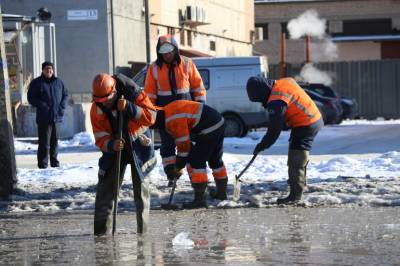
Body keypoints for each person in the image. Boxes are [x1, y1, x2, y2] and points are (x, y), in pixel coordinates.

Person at [90, 73, 157, 235]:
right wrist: (111, 144)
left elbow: (151, 117)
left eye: (106, 99)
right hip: (115, 152)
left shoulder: (134, 94)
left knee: (141, 196)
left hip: (138, 149)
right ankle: (101, 234)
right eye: (99, 101)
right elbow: (100, 137)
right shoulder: (96, 108)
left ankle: (143, 234)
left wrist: (129, 107)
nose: (103, 103)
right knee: (105, 193)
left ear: (114, 91)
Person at [246, 76, 323, 204]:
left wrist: (262, 145)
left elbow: (274, 130)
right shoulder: (282, 83)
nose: (261, 102)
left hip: (306, 123)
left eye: (260, 99)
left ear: (263, 92)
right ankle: (300, 183)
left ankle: (295, 195)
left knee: (295, 158)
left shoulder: (277, 101)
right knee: (296, 153)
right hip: (312, 118)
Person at [144, 34, 206, 186]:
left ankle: (196, 180)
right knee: (168, 147)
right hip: (166, 116)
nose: (167, 55)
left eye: (170, 52)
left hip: (187, 114)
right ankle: (172, 176)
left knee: (188, 146)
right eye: (163, 53)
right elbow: (149, 95)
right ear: (159, 52)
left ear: (176, 50)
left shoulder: (187, 63)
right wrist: (152, 115)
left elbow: (198, 87)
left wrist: (201, 108)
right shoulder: (154, 68)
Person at [153, 100, 228, 209]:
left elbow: (184, 145)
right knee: (215, 160)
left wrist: (178, 166)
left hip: (208, 128)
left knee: (196, 161)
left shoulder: (172, 119)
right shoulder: (168, 109)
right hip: (218, 122)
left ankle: (199, 200)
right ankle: (221, 194)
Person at [27, 61, 68, 169]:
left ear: (53, 70)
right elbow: (31, 98)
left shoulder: (59, 82)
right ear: (43, 70)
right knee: (44, 143)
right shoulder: (37, 83)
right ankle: (43, 165)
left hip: (57, 118)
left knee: (54, 142)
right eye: (46, 69)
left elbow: (65, 95)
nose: (49, 71)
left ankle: (54, 163)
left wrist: (61, 108)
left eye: (50, 69)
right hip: (44, 118)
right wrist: (42, 105)